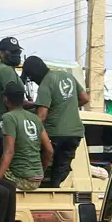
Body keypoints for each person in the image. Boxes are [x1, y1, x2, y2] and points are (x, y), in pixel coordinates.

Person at [25, 55, 89, 187]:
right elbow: (84, 98)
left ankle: (38, 186)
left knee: (42, 162)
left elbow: (41, 117)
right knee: (61, 168)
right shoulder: (66, 75)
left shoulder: (45, 84)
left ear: (34, 75)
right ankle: (56, 188)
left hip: (55, 133)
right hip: (74, 134)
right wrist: (65, 107)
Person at [0, 81, 52, 202]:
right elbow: (49, 150)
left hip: (23, 179)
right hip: (37, 180)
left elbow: (9, 151)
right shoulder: (35, 119)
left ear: (6, 99)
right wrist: (39, 172)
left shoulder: (8, 117)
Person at [0, 37, 24, 122]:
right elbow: (14, 100)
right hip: (8, 120)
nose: (17, 54)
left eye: (18, 51)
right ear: (1, 53)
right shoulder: (6, 70)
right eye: (13, 52)